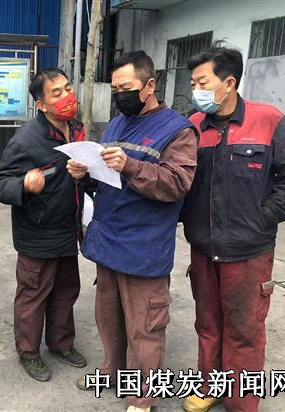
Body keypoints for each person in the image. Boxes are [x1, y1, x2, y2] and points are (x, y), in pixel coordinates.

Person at [67, 51, 198, 412]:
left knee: (145, 326)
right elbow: (105, 181)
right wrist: (84, 176)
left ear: (149, 85)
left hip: (143, 247)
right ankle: (111, 370)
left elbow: (177, 183)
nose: (119, 95)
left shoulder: (177, 130)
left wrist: (130, 165)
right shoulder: (115, 125)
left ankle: (142, 396)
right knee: (109, 317)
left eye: (126, 88)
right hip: (109, 240)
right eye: (115, 89)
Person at [180, 46, 285, 412]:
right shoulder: (193, 126)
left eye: (203, 82)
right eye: (193, 83)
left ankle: (241, 402)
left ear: (229, 82)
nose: (196, 90)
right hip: (204, 247)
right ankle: (210, 386)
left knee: (245, 329)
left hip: (249, 251)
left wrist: (264, 217)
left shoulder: (269, 120)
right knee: (208, 323)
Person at [0, 68, 87, 382]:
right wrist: (24, 185)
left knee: (66, 291)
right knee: (33, 296)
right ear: (42, 105)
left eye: (67, 88)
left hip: (68, 229)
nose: (67, 96)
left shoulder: (76, 129)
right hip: (37, 233)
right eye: (56, 93)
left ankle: (61, 344)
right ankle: (29, 353)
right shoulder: (26, 140)